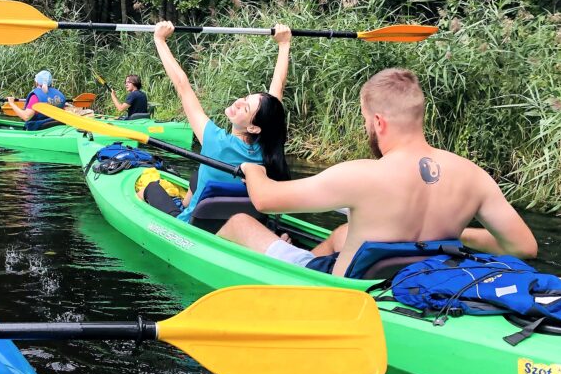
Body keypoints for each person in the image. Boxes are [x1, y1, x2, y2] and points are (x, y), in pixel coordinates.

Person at [217, 68, 538, 276]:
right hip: (410, 285)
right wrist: (456, 233)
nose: (366, 127)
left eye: (365, 120)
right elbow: (523, 247)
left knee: (239, 223)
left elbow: (266, 200)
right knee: (343, 234)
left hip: (345, 292)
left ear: (379, 122)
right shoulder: (473, 175)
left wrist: (253, 170)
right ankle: (304, 260)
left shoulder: (361, 175)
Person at [140, 20, 292, 222]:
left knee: (149, 188)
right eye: (245, 98)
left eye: (245, 107)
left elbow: (182, 85)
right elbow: (277, 88)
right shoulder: (269, 149)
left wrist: (159, 40)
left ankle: (171, 213)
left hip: (193, 225)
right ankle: (185, 202)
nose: (238, 102)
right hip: (233, 222)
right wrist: (284, 44)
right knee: (198, 175)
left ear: (254, 127)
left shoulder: (215, 141)